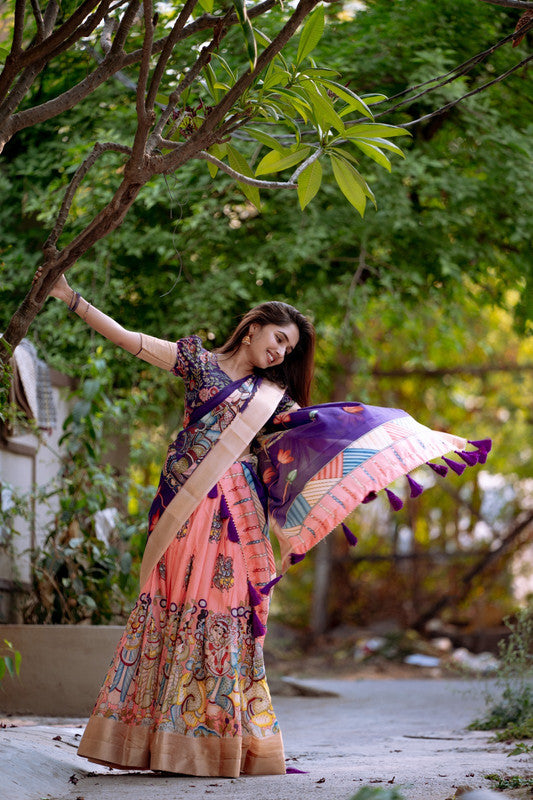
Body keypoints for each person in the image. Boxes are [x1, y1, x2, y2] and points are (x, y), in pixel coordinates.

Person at [35, 268, 490, 778]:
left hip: (235, 517)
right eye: (278, 339)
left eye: (289, 349)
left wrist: (389, 439)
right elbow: (126, 339)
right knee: (171, 610)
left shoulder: (274, 400)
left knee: (221, 615)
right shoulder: (197, 363)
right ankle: (154, 742)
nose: (280, 354)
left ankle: (212, 741)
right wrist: (69, 297)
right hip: (183, 508)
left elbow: (321, 437)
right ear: (252, 327)